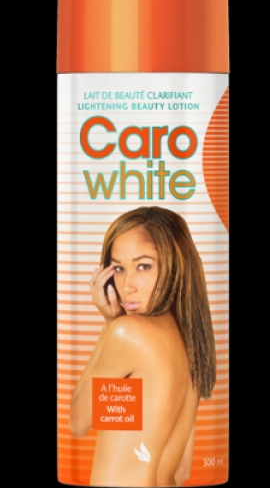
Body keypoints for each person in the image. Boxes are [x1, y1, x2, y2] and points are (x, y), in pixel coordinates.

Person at [70, 206, 217, 487]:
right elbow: (182, 470)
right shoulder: (195, 346)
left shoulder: (128, 333)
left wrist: (109, 324)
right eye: (118, 268)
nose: (127, 285)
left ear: (176, 266)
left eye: (143, 266)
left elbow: (78, 423)